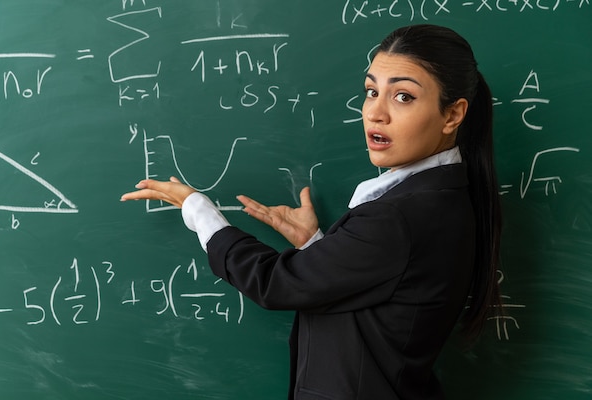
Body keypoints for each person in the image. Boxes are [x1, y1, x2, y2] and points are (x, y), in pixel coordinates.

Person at [121, 24, 502, 400]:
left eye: (403, 97)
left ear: (453, 115)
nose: (375, 113)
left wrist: (199, 211)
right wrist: (315, 245)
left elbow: (275, 283)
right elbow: (377, 305)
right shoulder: (441, 197)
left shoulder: (399, 216)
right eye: (371, 92)